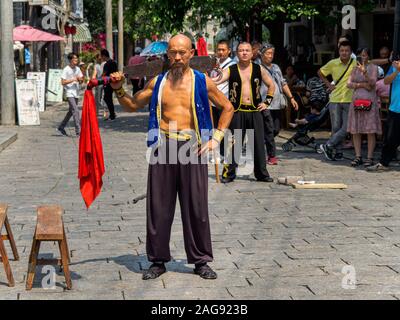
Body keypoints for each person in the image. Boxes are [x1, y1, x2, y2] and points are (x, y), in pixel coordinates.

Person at [109, 34, 234, 280]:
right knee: (158, 207)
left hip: (193, 147)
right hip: (162, 146)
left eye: (182, 53)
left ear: (190, 54)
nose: (177, 57)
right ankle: (157, 260)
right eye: (173, 53)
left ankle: (200, 261)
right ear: (168, 54)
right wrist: (118, 90)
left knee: (196, 207)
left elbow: (228, 108)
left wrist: (215, 139)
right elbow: (132, 105)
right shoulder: (158, 82)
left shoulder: (202, 81)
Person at [213, 42, 276, 183]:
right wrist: (206, 77)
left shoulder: (259, 69)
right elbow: (216, 81)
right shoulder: (231, 69)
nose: (244, 53)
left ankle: (262, 174)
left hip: (255, 110)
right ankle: (228, 174)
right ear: (236, 53)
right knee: (235, 143)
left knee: (258, 143)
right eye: (241, 50)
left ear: (252, 53)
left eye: (247, 50)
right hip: (237, 111)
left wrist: (267, 102)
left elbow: (271, 85)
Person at [260, 43, 299, 165]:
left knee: (276, 129)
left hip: (277, 104)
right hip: (265, 104)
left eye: (272, 53)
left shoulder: (276, 67)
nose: (270, 56)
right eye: (268, 53)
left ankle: (262, 144)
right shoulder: (257, 67)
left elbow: (283, 83)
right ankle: (271, 156)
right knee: (270, 130)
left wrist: (291, 98)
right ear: (262, 54)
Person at [318, 41, 357, 161]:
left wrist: (388, 60)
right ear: (339, 51)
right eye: (342, 51)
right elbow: (320, 72)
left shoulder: (355, 63)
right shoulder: (333, 63)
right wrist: (328, 84)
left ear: (351, 52)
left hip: (349, 99)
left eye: (347, 51)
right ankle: (337, 152)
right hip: (335, 99)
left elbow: (371, 63)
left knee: (346, 128)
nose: (344, 53)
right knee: (336, 127)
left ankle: (328, 144)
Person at [347, 48, 382, 167]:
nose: (363, 58)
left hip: (369, 102)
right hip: (356, 101)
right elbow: (348, 84)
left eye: (365, 55)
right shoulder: (354, 68)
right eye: (361, 55)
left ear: (369, 56)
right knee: (356, 130)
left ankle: (370, 157)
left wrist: (365, 73)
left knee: (370, 130)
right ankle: (358, 156)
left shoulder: (374, 68)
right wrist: (361, 85)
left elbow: (372, 83)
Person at [367, 57, 400, 171]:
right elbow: (386, 81)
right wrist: (397, 70)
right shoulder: (395, 65)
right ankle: (384, 163)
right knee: (390, 138)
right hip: (395, 107)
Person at [210, 40, 236, 161]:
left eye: (223, 50)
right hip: (212, 101)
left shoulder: (232, 65)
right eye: (219, 50)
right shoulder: (214, 63)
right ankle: (218, 153)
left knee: (223, 127)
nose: (221, 52)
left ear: (228, 51)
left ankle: (223, 153)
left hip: (224, 101)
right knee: (215, 128)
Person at [57, 52, 84, 137]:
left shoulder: (77, 69)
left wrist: (80, 80)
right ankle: (78, 131)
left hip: (76, 92)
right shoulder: (66, 69)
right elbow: (62, 82)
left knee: (71, 111)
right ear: (70, 60)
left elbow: (81, 79)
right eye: (74, 58)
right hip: (69, 93)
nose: (76, 60)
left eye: (77, 58)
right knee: (76, 110)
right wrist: (73, 80)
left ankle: (61, 127)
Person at [101, 49, 118, 121]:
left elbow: (104, 74)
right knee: (109, 98)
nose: (101, 58)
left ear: (104, 56)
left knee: (107, 98)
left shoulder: (107, 64)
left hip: (107, 83)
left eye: (102, 56)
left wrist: (100, 79)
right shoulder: (114, 62)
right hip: (114, 82)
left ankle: (112, 114)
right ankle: (112, 114)